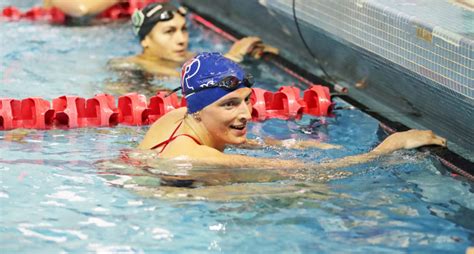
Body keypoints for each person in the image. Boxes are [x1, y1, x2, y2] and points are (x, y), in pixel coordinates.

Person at [136, 52, 446, 185]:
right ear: (199, 111)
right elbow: (310, 172)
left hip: (149, 177)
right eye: (229, 105)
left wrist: (288, 141)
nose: (246, 113)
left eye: (246, 100)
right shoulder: (200, 158)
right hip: (175, 196)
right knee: (307, 192)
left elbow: (259, 146)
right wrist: (386, 149)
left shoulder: (178, 115)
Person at [108, 2, 278, 77]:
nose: (181, 40)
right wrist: (232, 58)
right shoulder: (128, 66)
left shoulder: (190, 58)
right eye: (169, 32)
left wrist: (250, 58)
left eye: (184, 29)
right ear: (145, 40)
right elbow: (187, 80)